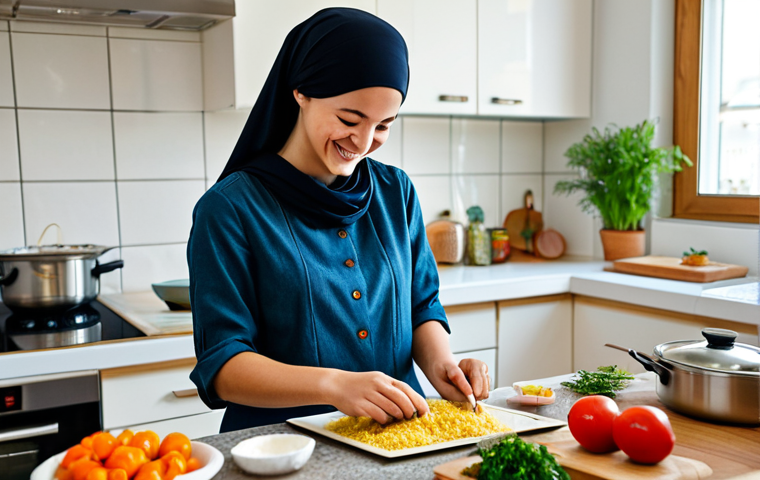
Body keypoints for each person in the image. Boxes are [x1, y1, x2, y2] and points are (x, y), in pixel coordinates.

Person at [187, 7, 490, 433]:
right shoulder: (229, 209)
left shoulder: (396, 192)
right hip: (280, 448)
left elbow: (421, 305)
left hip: (398, 439)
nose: (364, 142)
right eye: (349, 119)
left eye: (384, 125)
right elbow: (223, 363)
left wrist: (443, 366)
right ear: (301, 92)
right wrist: (333, 385)